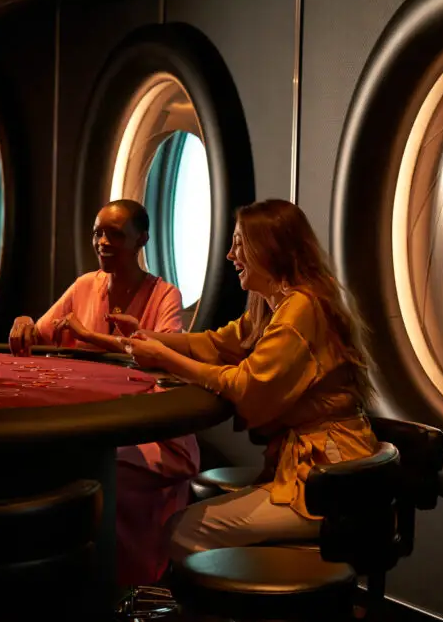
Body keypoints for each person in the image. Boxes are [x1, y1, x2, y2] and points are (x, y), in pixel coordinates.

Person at [121, 198, 379, 559]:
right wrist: (149, 337)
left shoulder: (300, 310)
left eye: (239, 243)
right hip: (318, 468)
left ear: (268, 247)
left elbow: (246, 385)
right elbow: (216, 344)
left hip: (328, 477)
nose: (230, 255)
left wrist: (164, 358)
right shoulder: (273, 304)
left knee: (184, 529)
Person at [9, 199, 199, 587]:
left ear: (141, 239)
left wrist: (92, 337)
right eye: (98, 232)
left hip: (148, 428)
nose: (102, 241)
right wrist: (24, 321)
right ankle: (69, 581)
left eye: (115, 233)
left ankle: (129, 580)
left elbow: (163, 355)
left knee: (103, 475)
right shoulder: (84, 285)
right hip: (91, 424)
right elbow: (41, 333)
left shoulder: (165, 295)